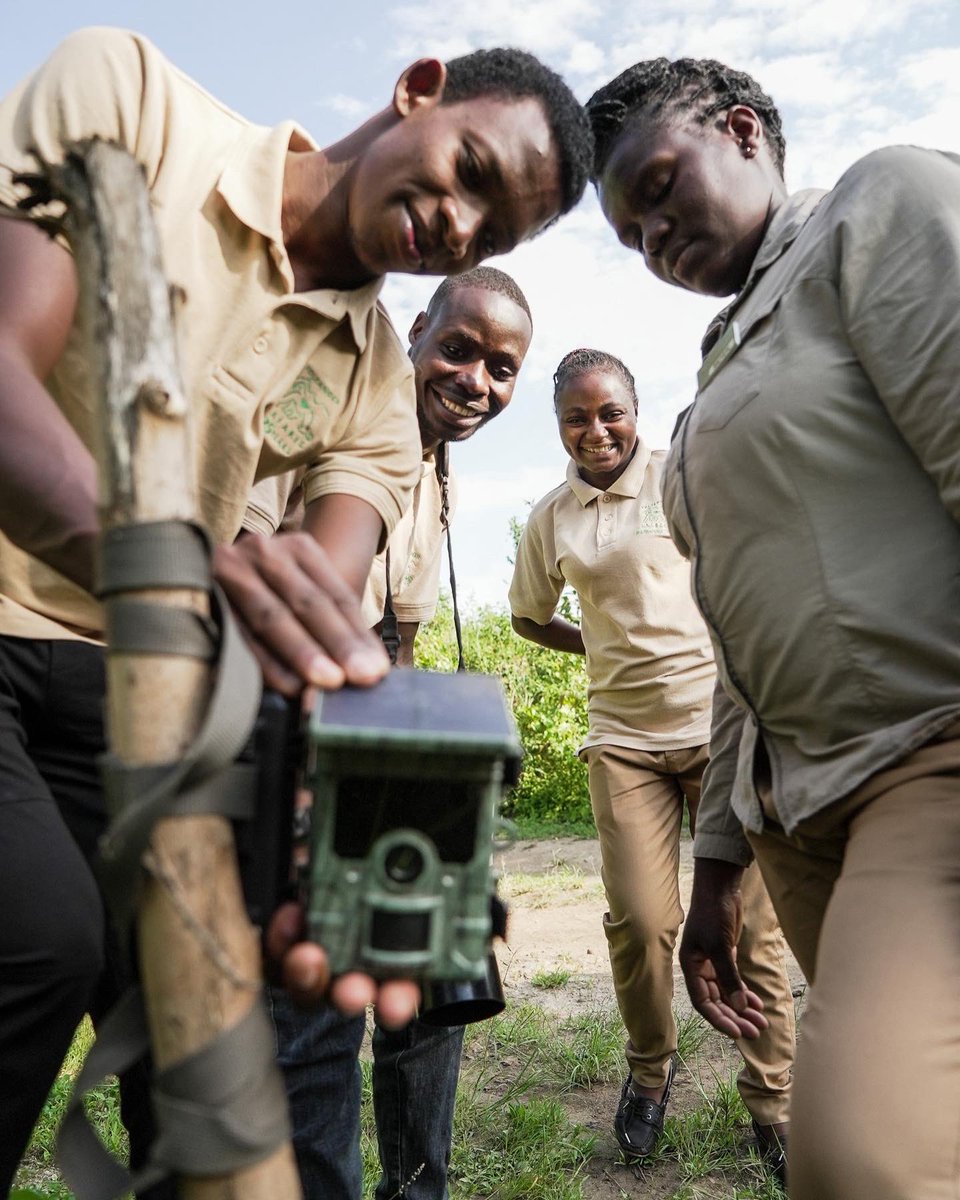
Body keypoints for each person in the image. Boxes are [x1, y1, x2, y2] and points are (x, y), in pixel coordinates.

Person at [0, 26, 592, 1194]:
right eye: (472, 171)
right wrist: (179, 572)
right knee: (41, 938)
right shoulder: (132, 98)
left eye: (498, 230)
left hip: (135, 693)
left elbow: (321, 597)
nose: (462, 228)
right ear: (419, 91)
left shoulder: (378, 376)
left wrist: (350, 804)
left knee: (210, 1041)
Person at [587, 56, 960, 1200]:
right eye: (629, 235)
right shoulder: (713, 384)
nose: (653, 237)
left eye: (658, 188)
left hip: (925, 764)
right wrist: (715, 876)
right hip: (799, 819)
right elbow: (740, 639)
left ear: (743, 130)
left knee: (861, 1162)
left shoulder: (879, 203)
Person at [246, 265, 533, 1200]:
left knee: (434, 977)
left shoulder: (437, 473)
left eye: (501, 369)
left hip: (368, 736)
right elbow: (243, 538)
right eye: (459, 349)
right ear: (415, 331)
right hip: (283, 732)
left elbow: (397, 639)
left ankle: (417, 1189)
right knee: (318, 1027)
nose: (476, 382)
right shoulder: (323, 396)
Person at [508, 348, 794, 1176]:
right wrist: (594, 643)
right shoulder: (551, 516)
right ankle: (650, 1073)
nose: (596, 430)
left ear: (636, 409)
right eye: (576, 416)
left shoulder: (683, 475)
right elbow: (530, 618)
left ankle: (771, 1101)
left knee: (751, 933)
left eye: (611, 412)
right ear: (558, 422)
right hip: (623, 741)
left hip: (722, 729)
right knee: (642, 922)